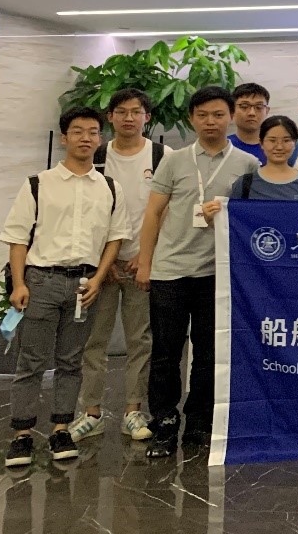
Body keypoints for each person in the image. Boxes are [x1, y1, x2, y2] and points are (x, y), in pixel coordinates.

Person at [0, 107, 130, 467]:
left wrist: (99, 279)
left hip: (85, 285)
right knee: (31, 361)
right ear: (64, 138)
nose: (85, 138)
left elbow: (115, 239)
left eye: (93, 132)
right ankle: (22, 435)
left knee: (71, 361)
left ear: (100, 138)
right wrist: (19, 284)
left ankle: (61, 429)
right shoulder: (38, 184)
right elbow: (17, 239)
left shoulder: (110, 187)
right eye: (77, 131)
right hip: (41, 281)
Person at [137, 86, 258, 458]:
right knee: (165, 353)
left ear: (231, 117)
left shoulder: (247, 164)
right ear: (192, 118)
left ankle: (199, 422)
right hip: (170, 271)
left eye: (218, 114)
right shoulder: (174, 160)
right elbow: (153, 213)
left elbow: (251, 219)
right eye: (203, 115)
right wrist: (145, 264)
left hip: (216, 274)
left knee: (208, 353)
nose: (211, 122)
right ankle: (164, 421)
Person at [70, 88, 167, 444]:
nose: (128, 117)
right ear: (110, 117)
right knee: (93, 339)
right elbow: (86, 210)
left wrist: (147, 256)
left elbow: (167, 209)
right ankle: (90, 412)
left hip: (143, 264)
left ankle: (133, 410)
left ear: (147, 117)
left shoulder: (161, 156)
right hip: (101, 267)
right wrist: (101, 262)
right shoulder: (97, 155)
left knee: (140, 339)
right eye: (121, 111)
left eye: (136, 111)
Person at [229, 116, 298, 200]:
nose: (279, 147)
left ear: (295, 143)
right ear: (261, 143)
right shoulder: (245, 183)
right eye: (272, 140)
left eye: (286, 140)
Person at [228, 83, 272, 162]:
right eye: (244, 106)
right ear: (232, 110)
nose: (252, 113)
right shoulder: (223, 146)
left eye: (259, 107)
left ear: (267, 111)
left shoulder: (277, 148)